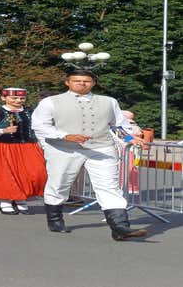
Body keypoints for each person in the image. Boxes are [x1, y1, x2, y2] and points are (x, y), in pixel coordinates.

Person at [32, 69, 148, 240]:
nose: (82, 84)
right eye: (77, 80)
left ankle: (120, 227)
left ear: (93, 83)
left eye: (86, 81)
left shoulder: (109, 101)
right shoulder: (50, 102)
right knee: (59, 184)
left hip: (101, 147)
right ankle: (55, 220)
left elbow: (117, 125)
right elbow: (39, 125)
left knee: (109, 186)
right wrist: (64, 135)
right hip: (64, 148)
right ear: (68, 82)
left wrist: (130, 138)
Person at [0, 88, 47, 215]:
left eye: (21, 98)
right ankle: (6, 201)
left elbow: (39, 129)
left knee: (34, 173)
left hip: (27, 147)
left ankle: (20, 197)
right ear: (4, 98)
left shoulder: (30, 112)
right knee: (5, 174)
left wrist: (42, 144)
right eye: (14, 98)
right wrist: (2, 131)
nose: (18, 100)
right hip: (1, 147)